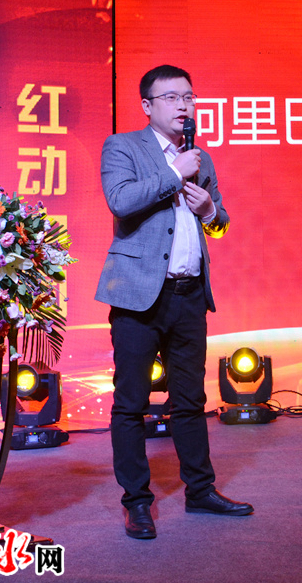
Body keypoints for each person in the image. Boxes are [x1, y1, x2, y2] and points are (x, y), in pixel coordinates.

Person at [96, 64, 252, 540]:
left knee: (190, 400)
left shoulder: (201, 156)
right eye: (171, 98)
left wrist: (210, 211)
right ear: (147, 105)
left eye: (189, 96)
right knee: (131, 403)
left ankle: (200, 490)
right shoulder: (123, 146)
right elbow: (121, 202)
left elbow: (220, 224)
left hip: (189, 295)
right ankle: (137, 503)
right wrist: (172, 173)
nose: (183, 106)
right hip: (138, 297)